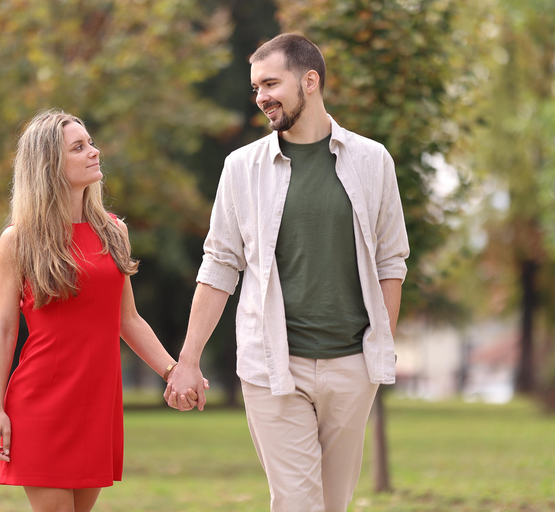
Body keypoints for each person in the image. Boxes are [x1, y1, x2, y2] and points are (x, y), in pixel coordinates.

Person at [166, 33, 410, 512]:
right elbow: (218, 265)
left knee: (333, 503)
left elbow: (390, 260)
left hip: (351, 366)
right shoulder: (242, 168)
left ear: (310, 81)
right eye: (256, 87)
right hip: (272, 365)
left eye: (271, 83)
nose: (261, 97)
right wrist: (189, 359)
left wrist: (379, 347)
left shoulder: (372, 161)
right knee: (300, 503)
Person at [0, 109, 199, 512]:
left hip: (97, 401)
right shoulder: (17, 241)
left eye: (91, 143)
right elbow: (4, 330)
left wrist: (173, 372)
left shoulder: (114, 230)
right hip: (40, 400)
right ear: (50, 165)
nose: (94, 152)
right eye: (79, 148)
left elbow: (127, 319)